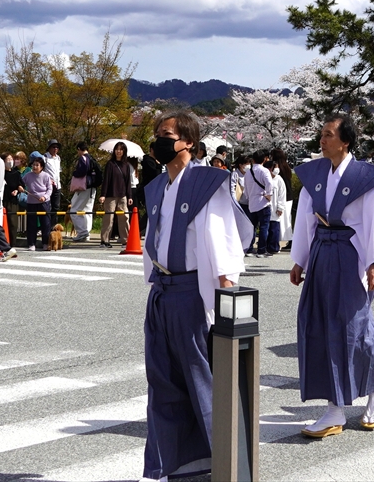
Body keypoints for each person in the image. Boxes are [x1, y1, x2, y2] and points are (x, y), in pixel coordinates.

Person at [140, 109, 248, 481]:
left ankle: (228, 465)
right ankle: (178, 465)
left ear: (188, 141)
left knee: (202, 380)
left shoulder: (206, 182)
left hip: (191, 292)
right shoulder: (157, 186)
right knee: (163, 381)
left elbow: (221, 242)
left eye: (167, 134)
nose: (159, 139)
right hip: (163, 290)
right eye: (157, 134)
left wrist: (224, 296)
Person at [290, 114, 374, 439]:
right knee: (318, 325)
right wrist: (299, 259)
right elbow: (306, 218)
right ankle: (334, 408)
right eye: (322, 134)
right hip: (321, 252)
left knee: (354, 327)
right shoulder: (315, 173)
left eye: (329, 134)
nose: (322, 139)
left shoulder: (366, 178)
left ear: (345, 141)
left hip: (352, 254)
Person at [239, 152, 274, 255]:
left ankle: (249, 248)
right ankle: (261, 250)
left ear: (252, 160)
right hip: (263, 202)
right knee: (264, 227)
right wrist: (268, 194)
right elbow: (269, 184)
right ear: (264, 160)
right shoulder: (264, 171)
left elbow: (245, 188)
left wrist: (249, 197)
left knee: (251, 227)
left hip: (252, 203)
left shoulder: (248, 172)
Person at [101, 143, 135, 246]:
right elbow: (106, 180)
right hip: (110, 195)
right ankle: (104, 240)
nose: (118, 151)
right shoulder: (110, 164)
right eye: (117, 149)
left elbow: (128, 182)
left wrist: (129, 196)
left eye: (121, 149)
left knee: (124, 218)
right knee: (109, 218)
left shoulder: (126, 165)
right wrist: (103, 195)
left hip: (123, 195)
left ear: (124, 151)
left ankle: (125, 240)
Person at [22, 153, 56, 251]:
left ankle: (45, 243)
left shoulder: (46, 176)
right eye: (33, 165)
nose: (34, 167)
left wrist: (45, 197)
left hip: (44, 202)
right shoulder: (28, 175)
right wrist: (19, 187)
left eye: (37, 165)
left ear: (41, 167)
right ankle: (31, 244)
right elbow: (21, 183)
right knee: (31, 224)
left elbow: (50, 189)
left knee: (45, 223)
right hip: (31, 202)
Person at [69, 142, 100, 243]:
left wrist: (74, 172)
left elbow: (81, 172)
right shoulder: (92, 158)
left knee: (74, 209)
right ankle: (87, 233)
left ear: (79, 149)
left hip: (83, 187)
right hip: (92, 188)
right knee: (87, 210)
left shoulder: (83, 158)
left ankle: (82, 232)